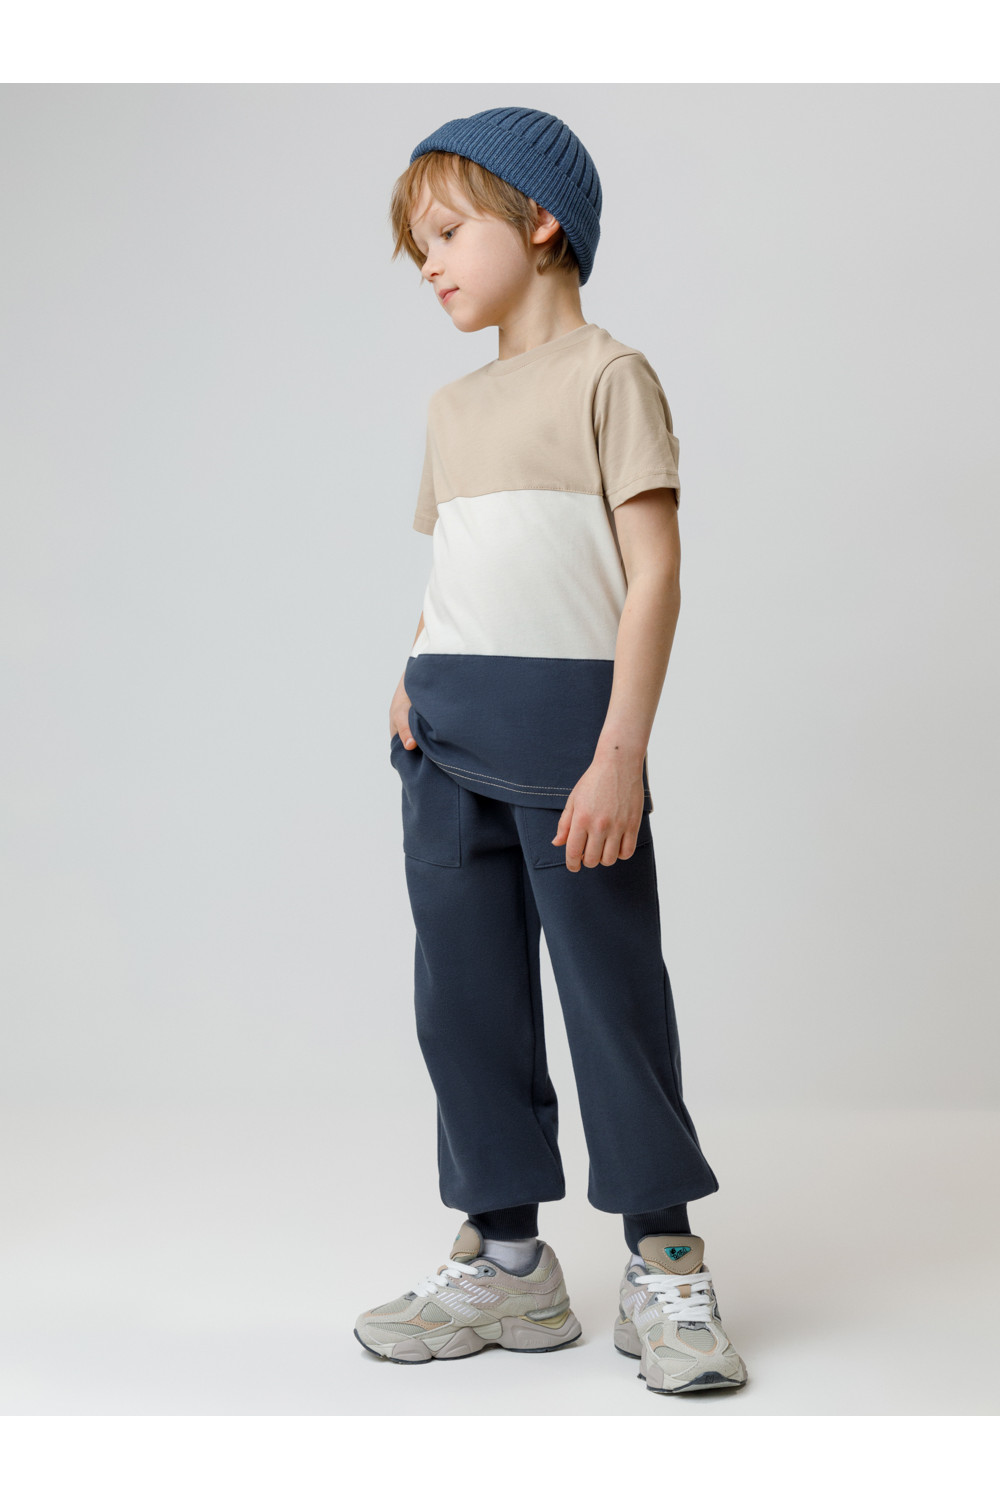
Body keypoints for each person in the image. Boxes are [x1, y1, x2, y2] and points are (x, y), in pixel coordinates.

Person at [354, 106, 748, 1396]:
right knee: (463, 1004)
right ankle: (510, 1264)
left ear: (539, 221)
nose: (429, 263)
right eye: (417, 246)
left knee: (611, 999)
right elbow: (464, 565)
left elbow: (653, 572)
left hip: (571, 743)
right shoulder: (450, 406)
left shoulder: (609, 377)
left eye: (446, 232)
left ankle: (665, 1260)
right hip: (442, 734)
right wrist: (411, 669)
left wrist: (621, 751)